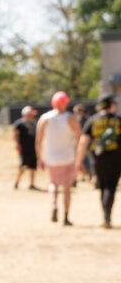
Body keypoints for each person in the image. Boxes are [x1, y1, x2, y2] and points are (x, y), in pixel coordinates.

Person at [76, 94, 121, 228]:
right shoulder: (118, 120)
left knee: (102, 186)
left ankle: (105, 216)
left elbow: (83, 142)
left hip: (98, 158)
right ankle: (108, 215)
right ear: (111, 105)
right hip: (116, 158)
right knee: (111, 187)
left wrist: (79, 161)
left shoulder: (92, 120)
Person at [35, 91, 81, 225]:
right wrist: (79, 157)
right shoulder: (70, 118)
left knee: (53, 184)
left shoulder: (44, 118)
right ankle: (66, 217)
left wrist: (39, 158)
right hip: (68, 158)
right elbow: (79, 138)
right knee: (67, 188)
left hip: (51, 158)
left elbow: (38, 140)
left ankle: (54, 203)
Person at [12, 105, 38, 190]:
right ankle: (17, 182)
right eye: (30, 114)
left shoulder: (34, 123)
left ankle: (31, 184)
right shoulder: (19, 124)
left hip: (33, 149)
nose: (32, 116)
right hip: (24, 149)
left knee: (33, 167)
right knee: (22, 167)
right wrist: (17, 144)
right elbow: (15, 135)